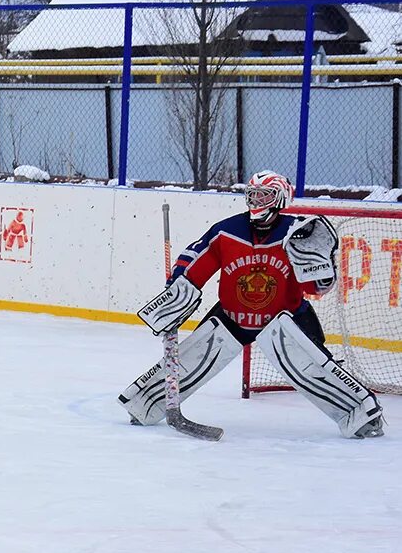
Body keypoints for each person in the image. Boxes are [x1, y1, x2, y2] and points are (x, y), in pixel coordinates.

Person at [119, 170, 384, 438]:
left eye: (264, 195)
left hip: (286, 317)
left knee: (316, 367)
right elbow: (195, 260)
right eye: (252, 195)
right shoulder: (226, 231)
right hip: (233, 317)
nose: (256, 201)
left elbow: (316, 288)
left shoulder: (299, 233)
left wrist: (322, 270)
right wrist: (177, 290)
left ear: (280, 199)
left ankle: (363, 416)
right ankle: (143, 404)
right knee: (193, 359)